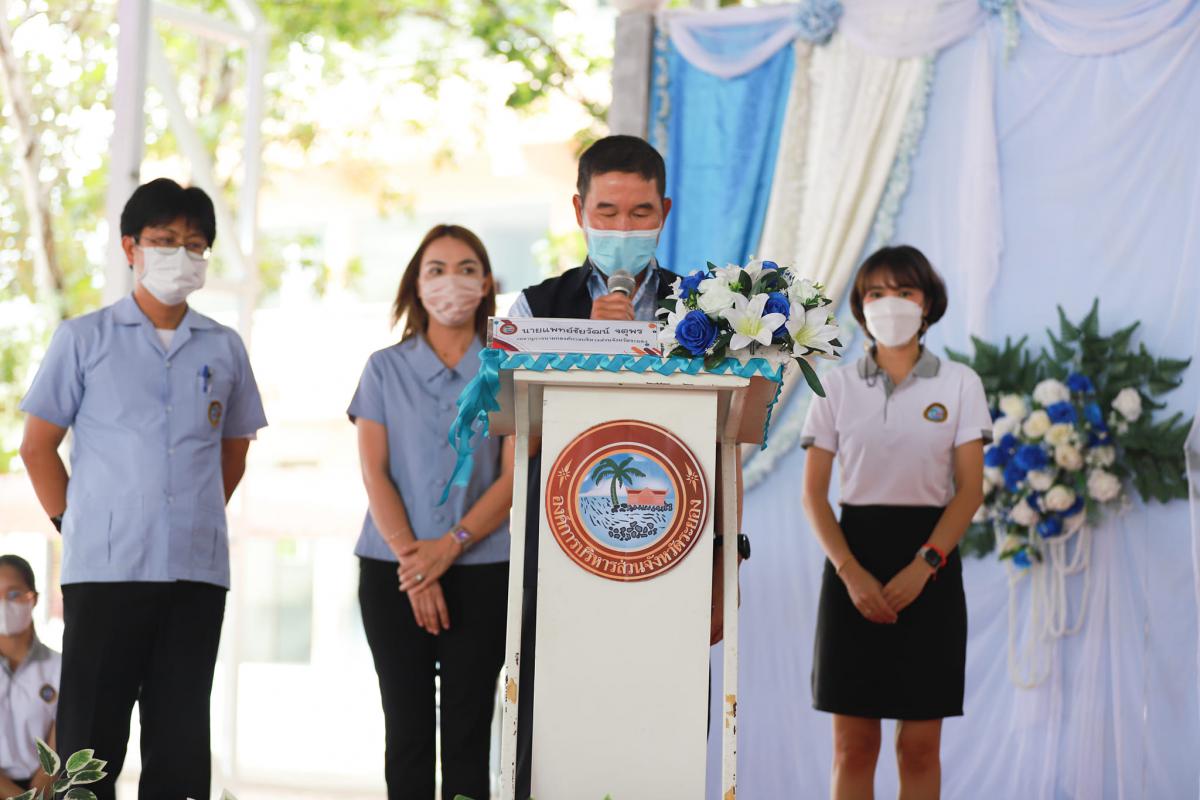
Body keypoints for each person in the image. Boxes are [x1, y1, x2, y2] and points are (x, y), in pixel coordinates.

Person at [507, 134, 744, 799]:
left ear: (664, 211)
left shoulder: (709, 312)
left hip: (675, 556)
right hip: (560, 560)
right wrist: (592, 341)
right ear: (578, 209)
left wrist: (725, 563)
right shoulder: (533, 309)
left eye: (640, 213)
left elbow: (726, 445)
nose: (622, 228)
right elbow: (520, 440)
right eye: (606, 212)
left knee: (660, 735)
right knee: (558, 740)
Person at [18, 178, 267, 800]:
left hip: (194, 573)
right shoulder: (84, 339)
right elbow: (38, 446)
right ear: (131, 247)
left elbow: (234, 449)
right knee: (90, 736)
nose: (181, 255)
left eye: (195, 244)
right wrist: (72, 523)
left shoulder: (225, 347)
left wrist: (192, 514)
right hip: (106, 569)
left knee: (180, 738)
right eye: (164, 240)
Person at [800, 245, 990, 800]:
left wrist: (926, 564)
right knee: (853, 747)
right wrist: (849, 572)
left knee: (920, 748)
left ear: (927, 303)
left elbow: (969, 490)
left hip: (931, 563)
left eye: (905, 291)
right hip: (852, 561)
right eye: (877, 293)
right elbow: (813, 496)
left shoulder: (959, 383)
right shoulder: (834, 385)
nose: (891, 303)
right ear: (860, 305)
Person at [350, 224, 513, 800]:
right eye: (436, 270)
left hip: (483, 569)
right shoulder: (383, 369)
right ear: (416, 285)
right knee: (408, 736)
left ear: (486, 283)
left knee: (469, 737)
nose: (452, 282)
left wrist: (450, 546)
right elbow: (375, 472)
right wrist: (416, 566)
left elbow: (512, 477)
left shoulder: (505, 369)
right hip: (392, 572)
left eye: (467, 269)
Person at [0, 555, 60, 797]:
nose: (4, 604)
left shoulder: (59, 668)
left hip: (43, 791)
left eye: (13, 594)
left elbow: (56, 753)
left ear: (33, 598)